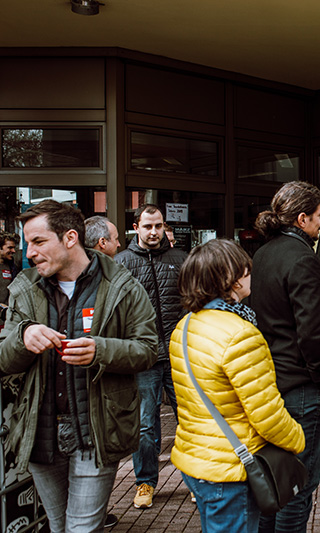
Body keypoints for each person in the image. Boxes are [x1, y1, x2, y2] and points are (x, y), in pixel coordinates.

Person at [0, 200, 158, 532]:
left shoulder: (122, 285)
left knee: (81, 528)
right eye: (27, 243)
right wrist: (23, 337)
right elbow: (4, 360)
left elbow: (147, 350)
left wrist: (102, 350)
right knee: (59, 527)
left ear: (70, 238)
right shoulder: (25, 288)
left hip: (95, 432)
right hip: (40, 433)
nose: (30, 253)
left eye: (39, 241)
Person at [170, 239, 306, 533]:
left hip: (196, 458)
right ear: (231, 281)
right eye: (246, 271)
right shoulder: (240, 333)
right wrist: (297, 439)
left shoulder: (185, 326)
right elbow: (266, 414)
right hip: (230, 467)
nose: (250, 276)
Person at [251, 181, 320, 533]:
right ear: (302, 219)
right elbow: (313, 332)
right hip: (304, 386)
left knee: (276, 478)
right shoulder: (303, 258)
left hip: (273, 380)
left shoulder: (263, 253)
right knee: (298, 483)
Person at [116, 204, 188, 509]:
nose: (154, 232)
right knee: (145, 424)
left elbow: (191, 300)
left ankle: (195, 479)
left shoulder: (180, 259)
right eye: (148, 226)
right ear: (136, 227)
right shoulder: (122, 263)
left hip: (179, 353)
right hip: (144, 356)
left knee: (190, 419)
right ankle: (145, 482)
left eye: (158, 226)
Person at [84, 215, 123, 527]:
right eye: (116, 238)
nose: (120, 244)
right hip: (89, 397)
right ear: (102, 243)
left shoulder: (119, 279)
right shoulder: (104, 282)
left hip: (106, 400)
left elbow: (142, 344)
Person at [0, 231, 21, 327]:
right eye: (9, 247)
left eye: (13, 247)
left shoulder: (12, 267)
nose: (13, 251)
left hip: (7, 322)